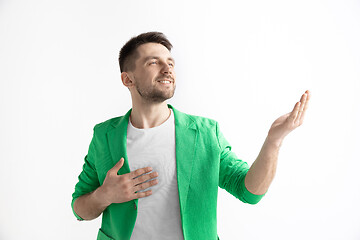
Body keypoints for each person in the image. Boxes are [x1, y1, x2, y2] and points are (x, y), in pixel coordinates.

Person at [71, 31, 311, 240]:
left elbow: (249, 191)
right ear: (128, 79)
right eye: (153, 62)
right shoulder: (104, 136)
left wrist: (274, 141)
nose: (167, 69)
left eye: (171, 63)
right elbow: (79, 209)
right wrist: (105, 195)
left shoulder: (206, 133)